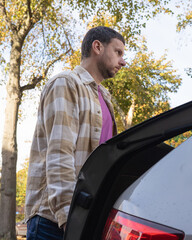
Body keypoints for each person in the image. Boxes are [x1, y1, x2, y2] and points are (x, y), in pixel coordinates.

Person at [24, 26, 126, 240]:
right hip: (54, 222)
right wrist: (69, 218)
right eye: (118, 52)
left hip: (86, 219)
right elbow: (59, 154)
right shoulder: (66, 83)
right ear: (97, 47)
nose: (123, 61)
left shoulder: (104, 98)